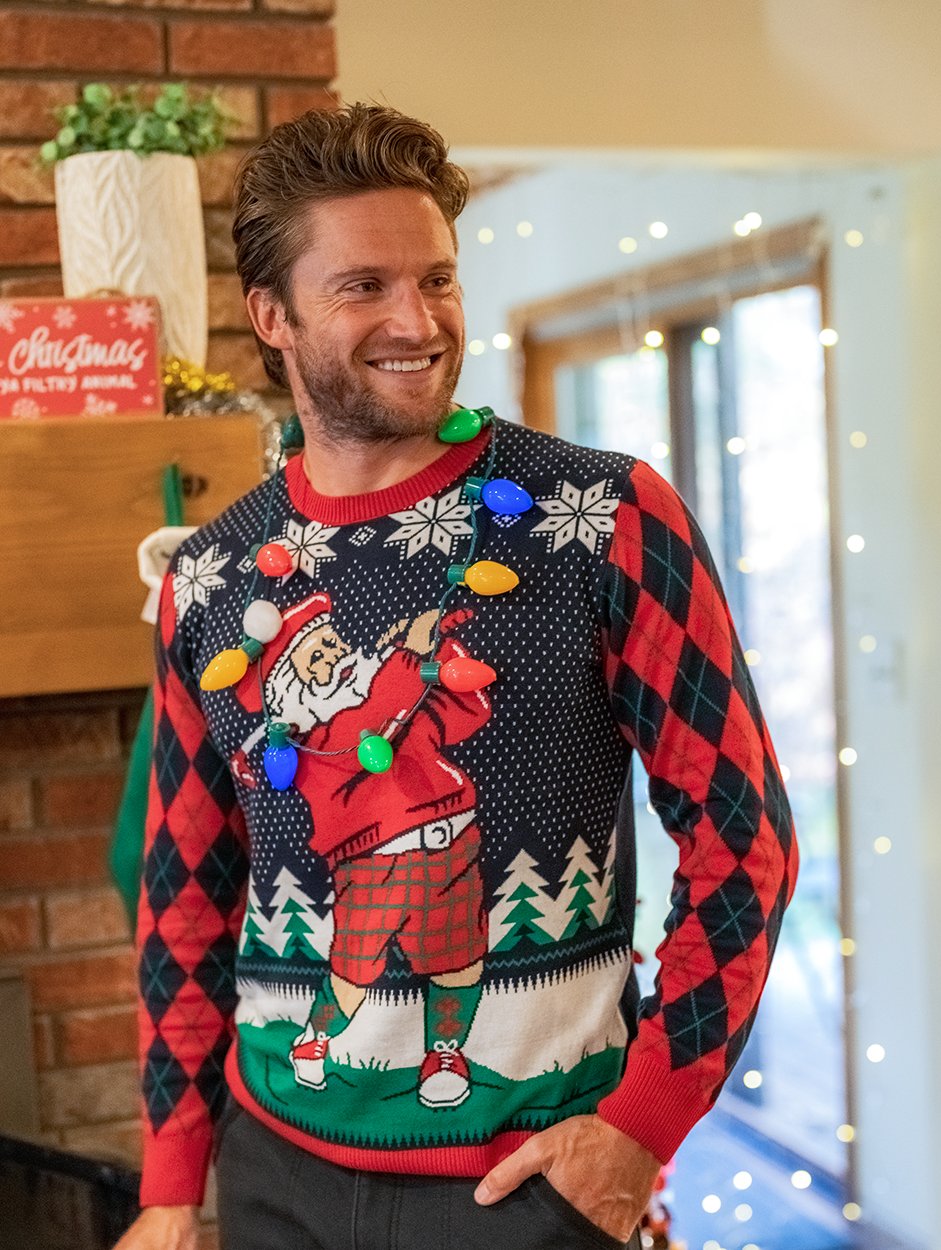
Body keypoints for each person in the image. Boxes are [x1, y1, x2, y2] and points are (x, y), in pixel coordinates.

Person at [114, 103, 798, 1250]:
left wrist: (638, 1130)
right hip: (273, 1173)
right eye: (363, 286)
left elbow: (746, 840)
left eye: (436, 279)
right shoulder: (212, 576)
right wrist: (172, 1180)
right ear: (272, 315)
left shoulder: (603, 518)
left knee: (451, 963)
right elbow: (185, 891)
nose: (417, 320)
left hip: (528, 1184)